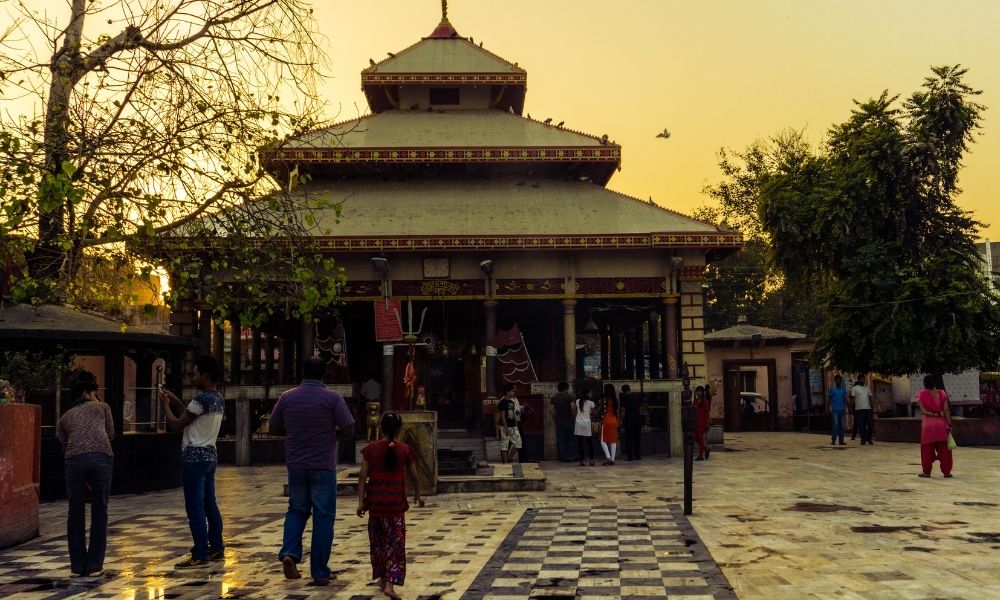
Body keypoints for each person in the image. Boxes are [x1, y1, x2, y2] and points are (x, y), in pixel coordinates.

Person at [268, 355, 356, 584]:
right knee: (323, 517)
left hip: (296, 465)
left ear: (303, 373)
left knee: (296, 511)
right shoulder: (332, 398)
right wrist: (332, 433)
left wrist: (294, 432)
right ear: (324, 374)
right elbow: (349, 429)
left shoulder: (287, 398)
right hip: (323, 466)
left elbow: (273, 427)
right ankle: (319, 571)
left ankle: (289, 553)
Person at [159, 355, 226, 569]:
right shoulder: (217, 399)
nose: (193, 377)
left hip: (194, 457)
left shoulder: (201, 400)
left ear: (205, 375)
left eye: (196, 373)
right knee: (210, 504)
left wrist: (164, 406)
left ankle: (200, 552)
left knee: (195, 507)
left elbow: (177, 424)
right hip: (210, 455)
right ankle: (216, 547)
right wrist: (176, 401)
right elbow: (190, 417)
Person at [356, 412, 424, 600]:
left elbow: (362, 477)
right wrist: (418, 495)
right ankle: (389, 584)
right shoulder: (404, 449)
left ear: (381, 427)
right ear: (399, 429)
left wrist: (361, 502)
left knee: (378, 544)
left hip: (376, 505)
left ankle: (382, 577)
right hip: (395, 507)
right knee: (395, 545)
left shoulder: (371, 449)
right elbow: (415, 476)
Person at [56, 372, 114, 578]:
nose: (97, 397)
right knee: (100, 510)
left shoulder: (65, 416)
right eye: (95, 394)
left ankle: (77, 565)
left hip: (74, 460)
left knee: (75, 511)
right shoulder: (103, 407)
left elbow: (61, 438)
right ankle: (94, 565)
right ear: (86, 393)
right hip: (101, 457)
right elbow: (110, 433)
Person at [917, 375, 953, 478]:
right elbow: (946, 410)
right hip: (941, 424)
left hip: (928, 425)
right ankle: (947, 472)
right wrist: (949, 422)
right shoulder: (942, 393)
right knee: (944, 449)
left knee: (927, 450)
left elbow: (923, 411)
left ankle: (926, 472)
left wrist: (933, 414)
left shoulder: (921, 394)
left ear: (925, 384)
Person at [549, 381, 576, 462]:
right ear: (565, 388)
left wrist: (555, 418)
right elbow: (572, 408)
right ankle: (569, 456)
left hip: (559, 421)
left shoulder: (554, 398)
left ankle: (562, 458)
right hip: (568, 420)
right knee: (569, 439)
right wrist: (572, 417)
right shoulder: (569, 396)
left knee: (561, 440)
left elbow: (551, 410)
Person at [496, 384, 522, 463]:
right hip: (505, 426)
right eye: (512, 391)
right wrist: (506, 428)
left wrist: (516, 424)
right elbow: (502, 416)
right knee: (505, 445)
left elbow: (513, 414)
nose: (513, 393)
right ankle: (506, 462)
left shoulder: (511, 402)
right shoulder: (503, 402)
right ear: (507, 392)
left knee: (518, 443)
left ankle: (509, 457)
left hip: (513, 426)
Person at [572, 387, 596, 466]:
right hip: (587, 424)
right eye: (591, 392)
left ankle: (582, 460)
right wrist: (599, 408)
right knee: (589, 443)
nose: (592, 394)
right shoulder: (591, 403)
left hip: (578, 423)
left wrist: (575, 418)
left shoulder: (578, 401)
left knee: (580, 443)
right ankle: (591, 460)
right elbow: (594, 413)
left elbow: (574, 411)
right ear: (587, 394)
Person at [596, 383, 619, 465]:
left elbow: (598, 408)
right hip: (614, 420)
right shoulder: (615, 400)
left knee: (602, 440)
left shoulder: (603, 399)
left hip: (606, 420)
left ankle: (608, 457)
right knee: (613, 440)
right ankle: (613, 458)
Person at [620, 384, 643, 461]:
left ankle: (630, 456)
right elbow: (640, 408)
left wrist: (621, 419)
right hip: (637, 419)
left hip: (629, 419)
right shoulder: (637, 396)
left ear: (623, 391)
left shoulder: (624, 397)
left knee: (629, 438)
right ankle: (638, 455)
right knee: (637, 438)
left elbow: (623, 409)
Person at [851, 375, 875, 445]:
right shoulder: (854, 388)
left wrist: (872, 407)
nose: (863, 381)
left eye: (864, 379)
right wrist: (850, 407)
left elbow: (870, 398)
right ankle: (863, 439)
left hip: (868, 409)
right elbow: (852, 399)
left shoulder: (867, 388)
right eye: (861, 379)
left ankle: (868, 438)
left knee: (871, 424)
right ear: (858, 380)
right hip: (859, 409)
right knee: (862, 425)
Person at [693, 385, 712, 460]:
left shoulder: (705, 402)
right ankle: (706, 449)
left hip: (702, 422)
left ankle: (701, 455)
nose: (698, 393)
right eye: (697, 391)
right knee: (695, 437)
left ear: (702, 392)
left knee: (700, 438)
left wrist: (707, 423)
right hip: (696, 422)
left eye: (699, 391)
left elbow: (707, 413)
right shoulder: (695, 401)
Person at [828, 374, 847, 446]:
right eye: (838, 379)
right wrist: (827, 408)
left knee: (842, 425)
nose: (839, 381)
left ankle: (841, 440)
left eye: (840, 380)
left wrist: (850, 407)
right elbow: (829, 400)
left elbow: (845, 399)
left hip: (842, 410)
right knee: (835, 425)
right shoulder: (832, 389)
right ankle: (833, 439)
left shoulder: (843, 389)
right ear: (835, 380)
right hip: (834, 410)